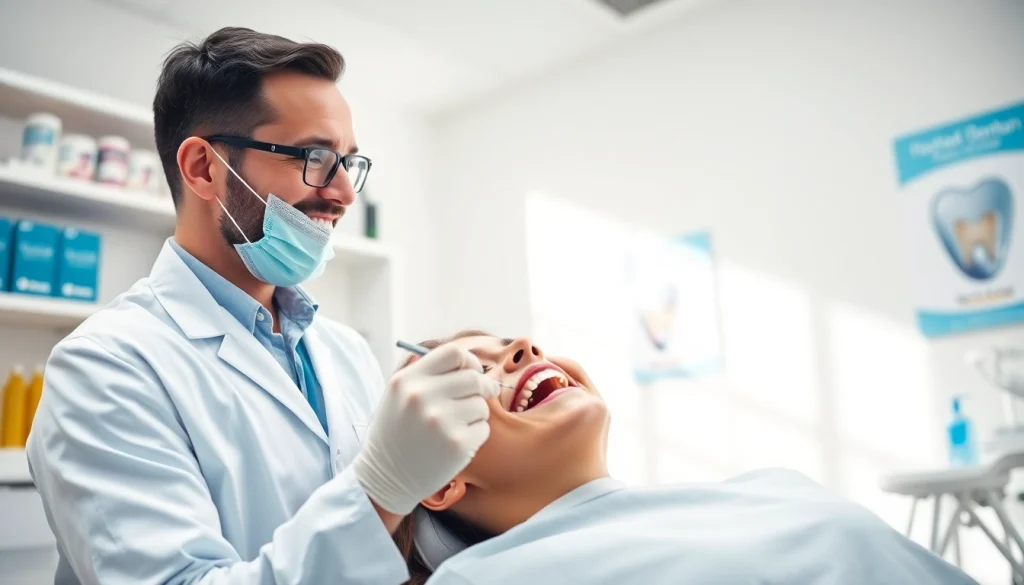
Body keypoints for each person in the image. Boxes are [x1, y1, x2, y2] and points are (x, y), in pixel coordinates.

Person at [25, 28, 498, 585]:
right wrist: (380, 491)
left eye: (349, 161)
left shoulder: (342, 350)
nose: (345, 192)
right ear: (204, 168)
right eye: (316, 157)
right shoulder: (106, 366)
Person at [391, 331, 981, 585]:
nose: (524, 347)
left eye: (514, 343)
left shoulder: (771, 488)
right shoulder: (482, 580)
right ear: (440, 481)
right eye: (474, 370)